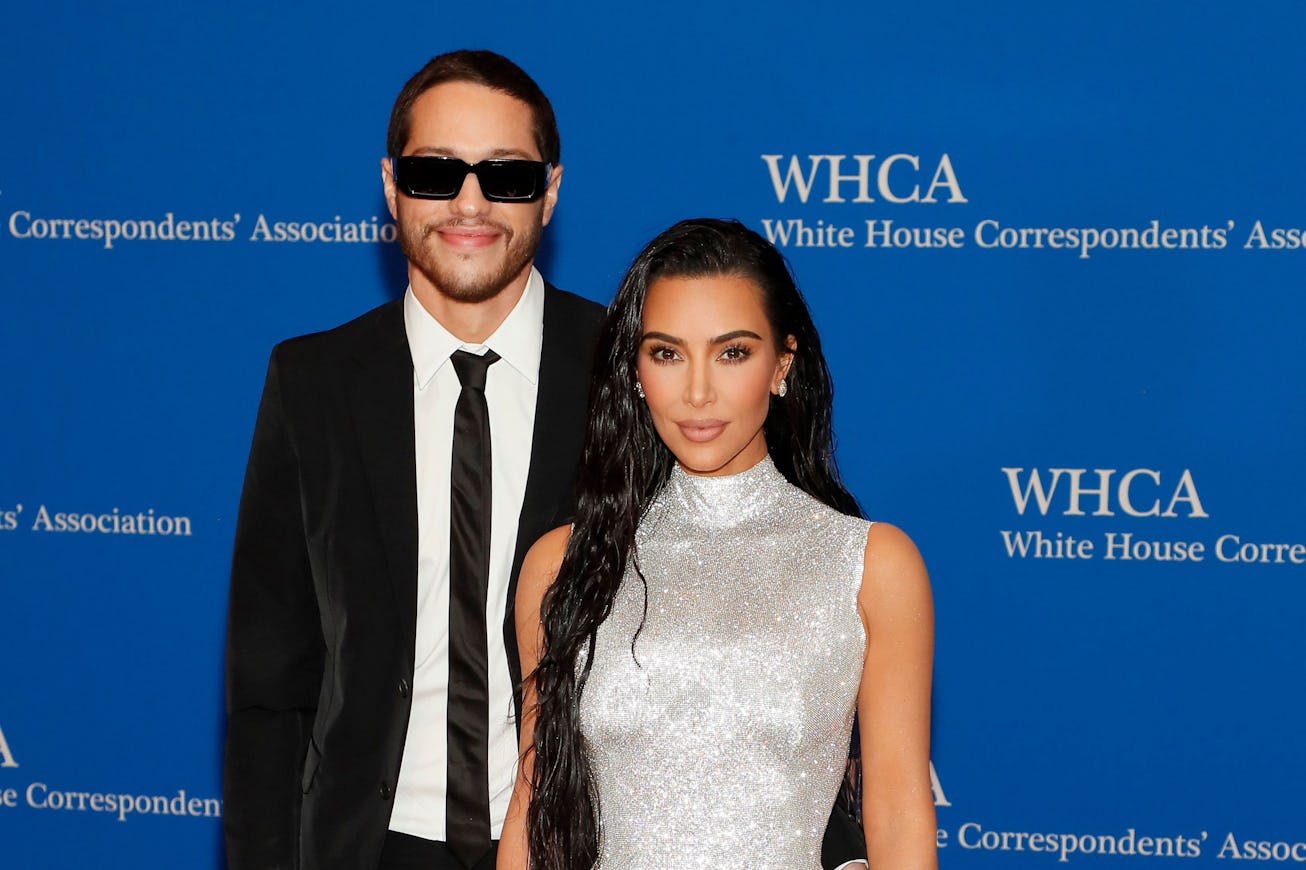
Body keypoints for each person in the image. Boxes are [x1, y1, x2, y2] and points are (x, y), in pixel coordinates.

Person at [223, 50, 604, 870]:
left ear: (552, 190)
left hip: (577, 847)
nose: (470, 203)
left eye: (505, 176)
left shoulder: (628, 372)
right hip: (369, 848)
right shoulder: (313, 381)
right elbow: (269, 680)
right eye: (438, 173)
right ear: (393, 188)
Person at [499, 219, 938, 870]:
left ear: (782, 364)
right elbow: (534, 812)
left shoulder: (871, 565)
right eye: (667, 353)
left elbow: (899, 812)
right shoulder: (564, 565)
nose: (697, 392)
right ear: (637, 371)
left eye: (732, 352)